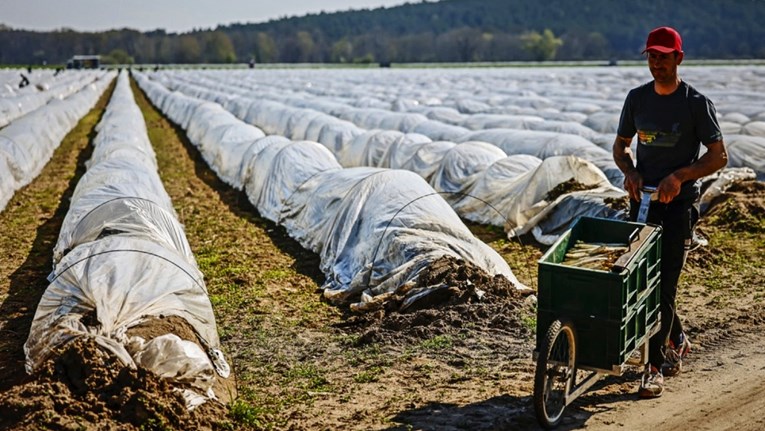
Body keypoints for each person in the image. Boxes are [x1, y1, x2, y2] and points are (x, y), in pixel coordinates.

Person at [613, 26, 728, 398]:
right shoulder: (637, 100)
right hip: (643, 203)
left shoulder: (695, 103)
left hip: (678, 206)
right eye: (651, 56)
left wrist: (680, 176)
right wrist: (629, 171)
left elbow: (718, 156)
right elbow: (621, 146)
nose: (657, 63)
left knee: (664, 283)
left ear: (679, 58)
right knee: (642, 281)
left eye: (664, 56)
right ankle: (676, 336)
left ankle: (653, 366)